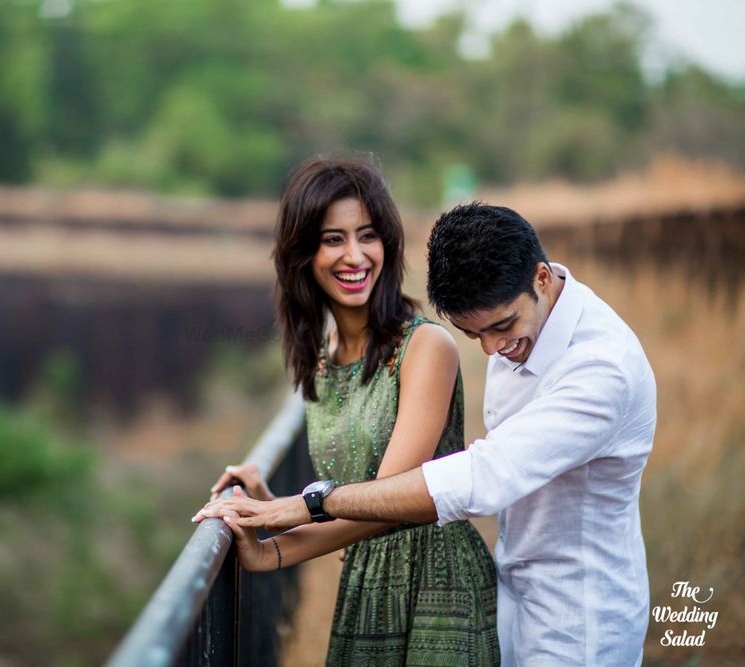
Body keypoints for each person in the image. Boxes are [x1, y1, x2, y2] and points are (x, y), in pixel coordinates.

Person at [197, 202, 657, 666]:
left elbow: (482, 477)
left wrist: (311, 503)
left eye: (502, 326)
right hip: (510, 596)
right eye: (472, 333)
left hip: (580, 623)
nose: (494, 347)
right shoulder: (522, 324)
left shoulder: (602, 369)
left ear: (541, 278)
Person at [197, 157, 499, 665]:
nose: (355, 256)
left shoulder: (425, 347)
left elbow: (386, 502)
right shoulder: (320, 360)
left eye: (368, 235)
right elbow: (352, 496)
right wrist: (268, 502)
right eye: (333, 239)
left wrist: (275, 545)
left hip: (437, 593)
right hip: (364, 588)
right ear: (303, 254)